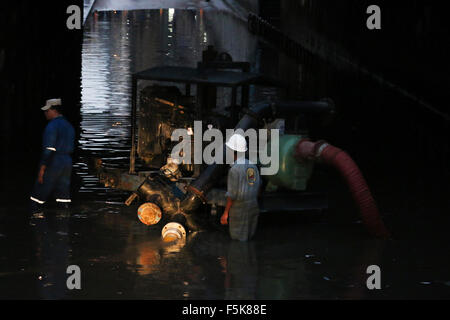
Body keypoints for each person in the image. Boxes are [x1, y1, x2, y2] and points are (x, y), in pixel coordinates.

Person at [30, 98, 75, 214]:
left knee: (38, 195)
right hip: (67, 162)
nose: (45, 113)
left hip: (54, 161)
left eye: (47, 110)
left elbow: (49, 149)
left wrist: (42, 167)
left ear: (53, 111)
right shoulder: (69, 126)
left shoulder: (52, 126)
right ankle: (64, 227)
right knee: (63, 196)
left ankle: (36, 224)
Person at [220, 133, 261, 241]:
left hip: (239, 209)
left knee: (239, 241)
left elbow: (232, 195)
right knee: (249, 238)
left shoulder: (234, 170)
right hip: (253, 205)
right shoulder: (252, 166)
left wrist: (225, 213)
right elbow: (256, 186)